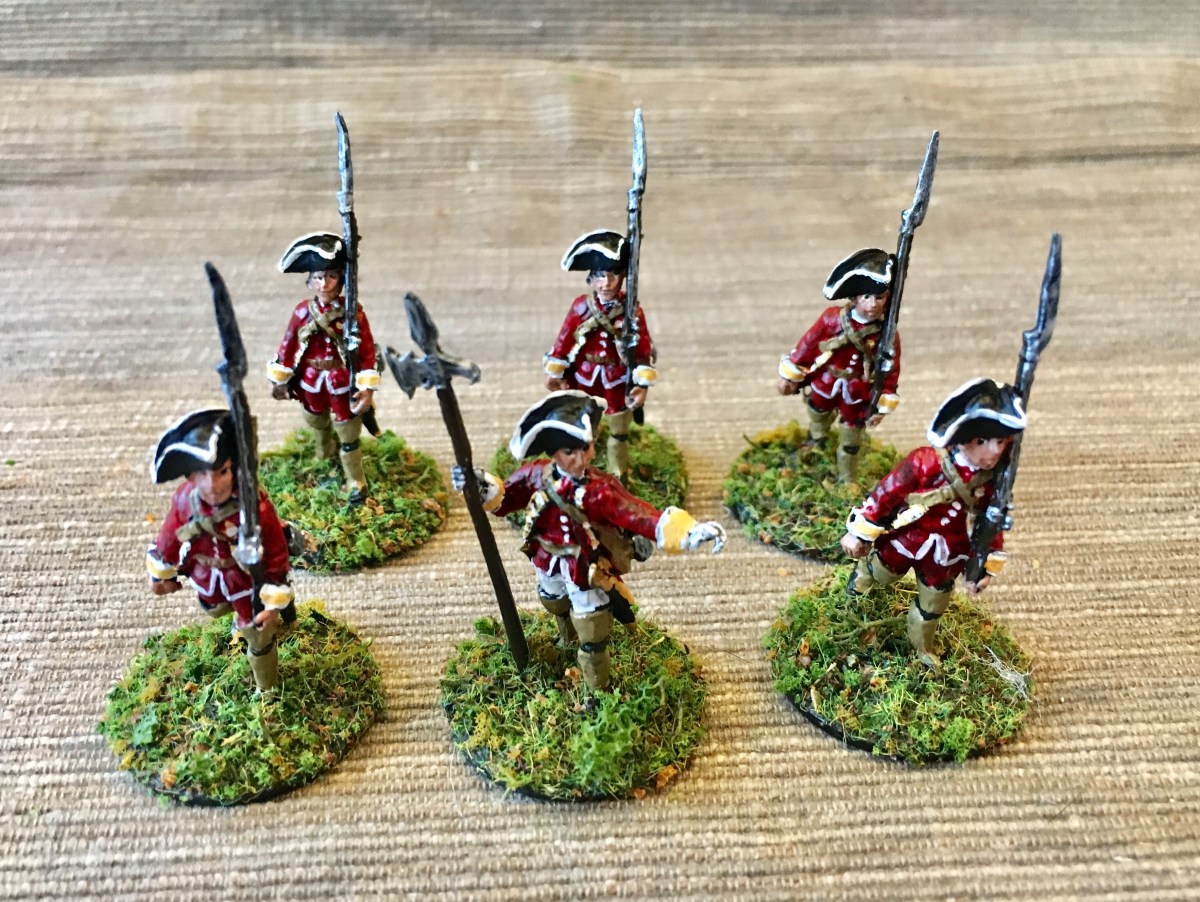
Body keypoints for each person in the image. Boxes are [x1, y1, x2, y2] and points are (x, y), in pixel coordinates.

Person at [454, 391, 724, 690]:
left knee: (593, 630)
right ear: (555, 453)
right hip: (547, 558)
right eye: (570, 451)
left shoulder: (600, 490)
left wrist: (688, 531)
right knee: (554, 602)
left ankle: (597, 689)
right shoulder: (536, 476)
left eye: (586, 448)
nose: (580, 458)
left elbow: (637, 514)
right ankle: (566, 640)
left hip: (586, 567)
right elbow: (504, 500)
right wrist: (478, 485)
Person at [839, 378, 1026, 666]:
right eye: (982, 441)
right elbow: (886, 494)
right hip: (905, 539)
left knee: (931, 608)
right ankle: (851, 605)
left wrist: (984, 567)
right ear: (964, 438)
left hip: (948, 556)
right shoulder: (925, 462)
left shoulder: (993, 483)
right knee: (877, 574)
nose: (993, 451)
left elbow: (991, 525)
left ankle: (922, 650)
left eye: (1000, 442)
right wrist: (861, 532)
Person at [146, 409, 296, 691]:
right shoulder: (185, 501)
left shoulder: (256, 506)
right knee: (214, 608)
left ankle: (267, 690)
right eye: (202, 474)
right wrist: (160, 573)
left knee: (258, 635)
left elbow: (276, 553)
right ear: (191, 475)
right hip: (207, 577)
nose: (212, 485)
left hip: (248, 579)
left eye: (221, 472)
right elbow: (169, 537)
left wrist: (274, 594)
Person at [267, 231, 379, 503]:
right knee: (316, 420)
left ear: (341, 279)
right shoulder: (302, 312)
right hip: (311, 379)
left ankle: (356, 480)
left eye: (330, 276)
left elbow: (366, 351)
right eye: (318, 277)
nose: (324, 283)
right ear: (309, 282)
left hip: (341, 379)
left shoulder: (353, 313)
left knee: (347, 430)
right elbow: (288, 344)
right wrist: (280, 378)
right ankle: (323, 456)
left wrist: (366, 389)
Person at [777, 248, 901, 482]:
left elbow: (891, 371)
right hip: (827, 380)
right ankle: (815, 444)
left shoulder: (887, 335)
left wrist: (881, 405)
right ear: (854, 298)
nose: (873, 304)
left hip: (858, 392)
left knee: (851, 435)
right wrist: (790, 374)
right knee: (817, 413)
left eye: (879, 297)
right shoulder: (832, 319)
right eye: (866, 297)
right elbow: (808, 345)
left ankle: (847, 478)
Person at [543, 230, 656, 478]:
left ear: (623, 277)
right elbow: (564, 340)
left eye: (614, 274)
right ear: (591, 280)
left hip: (616, 377)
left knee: (619, 427)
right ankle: (581, 465)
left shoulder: (632, 312)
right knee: (582, 420)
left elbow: (643, 350)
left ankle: (617, 469)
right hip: (585, 376)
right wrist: (555, 371)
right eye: (600, 276)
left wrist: (641, 385)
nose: (607, 283)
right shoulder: (581, 307)